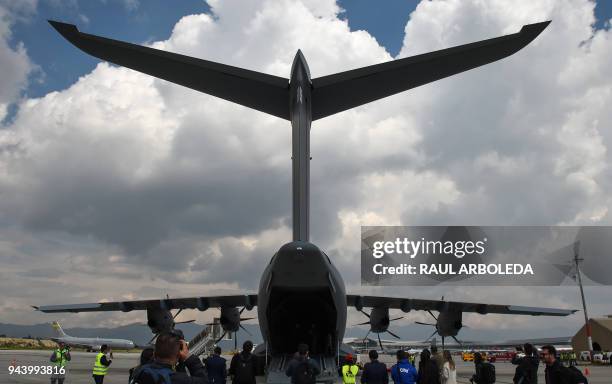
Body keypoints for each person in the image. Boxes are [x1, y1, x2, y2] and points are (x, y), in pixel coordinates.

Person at [130, 331, 207, 384]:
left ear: (154, 353)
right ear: (178, 355)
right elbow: (204, 381)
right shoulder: (176, 379)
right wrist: (189, 358)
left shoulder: (138, 372)